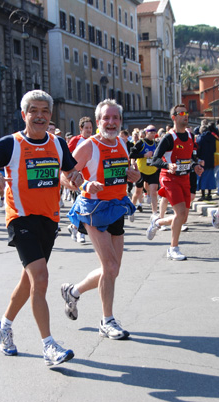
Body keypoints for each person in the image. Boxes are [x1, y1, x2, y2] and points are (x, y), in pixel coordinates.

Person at [0, 89, 82, 366]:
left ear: (50, 115)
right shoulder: (10, 144)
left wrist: (76, 179)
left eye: (45, 111)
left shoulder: (57, 144)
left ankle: (3, 326)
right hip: (21, 218)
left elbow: (67, 176)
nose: (40, 116)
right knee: (40, 278)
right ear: (24, 114)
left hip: (49, 219)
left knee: (28, 280)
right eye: (34, 111)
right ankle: (48, 346)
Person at [61, 99, 140, 340]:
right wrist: (84, 183)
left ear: (120, 121)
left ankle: (73, 291)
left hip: (117, 206)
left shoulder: (123, 144)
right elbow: (63, 176)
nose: (111, 122)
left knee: (112, 271)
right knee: (111, 267)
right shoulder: (88, 146)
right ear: (98, 122)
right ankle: (107, 321)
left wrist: (133, 176)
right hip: (93, 209)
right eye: (106, 118)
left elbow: (125, 174)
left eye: (115, 118)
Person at [145, 104, 204, 261]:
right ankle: (173, 248)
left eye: (186, 113)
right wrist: (167, 165)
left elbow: (191, 157)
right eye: (181, 113)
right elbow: (155, 160)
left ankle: (158, 222)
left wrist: (196, 165)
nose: (185, 115)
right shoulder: (169, 138)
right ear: (174, 117)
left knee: (183, 218)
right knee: (179, 213)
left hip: (184, 178)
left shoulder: (191, 137)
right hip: (170, 178)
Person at [66, 116, 94, 243]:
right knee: (81, 204)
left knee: (83, 205)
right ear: (81, 129)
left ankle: (74, 227)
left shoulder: (95, 141)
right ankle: (80, 233)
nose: (89, 130)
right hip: (77, 178)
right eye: (86, 128)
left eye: (90, 128)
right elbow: (67, 157)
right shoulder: (75, 140)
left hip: (90, 179)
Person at [130, 125, 160, 218]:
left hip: (153, 170)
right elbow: (131, 154)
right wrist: (144, 155)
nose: (153, 135)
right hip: (141, 170)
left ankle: (154, 214)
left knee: (154, 191)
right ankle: (131, 210)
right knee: (138, 192)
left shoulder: (156, 144)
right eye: (151, 133)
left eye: (154, 133)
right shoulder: (141, 142)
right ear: (146, 133)